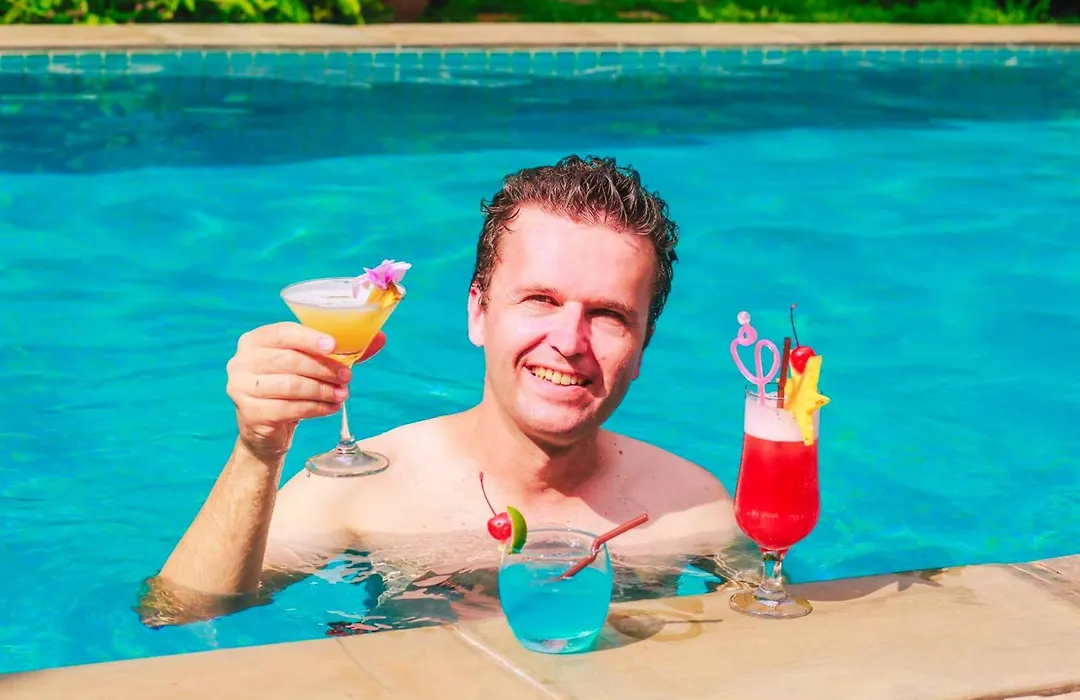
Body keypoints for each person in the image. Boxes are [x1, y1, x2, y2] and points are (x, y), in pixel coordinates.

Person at [140, 155, 742, 627]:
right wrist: (259, 448)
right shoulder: (369, 489)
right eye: (540, 299)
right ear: (478, 312)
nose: (569, 341)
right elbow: (181, 612)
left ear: (642, 346)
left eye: (608, 314)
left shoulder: (690, 509)